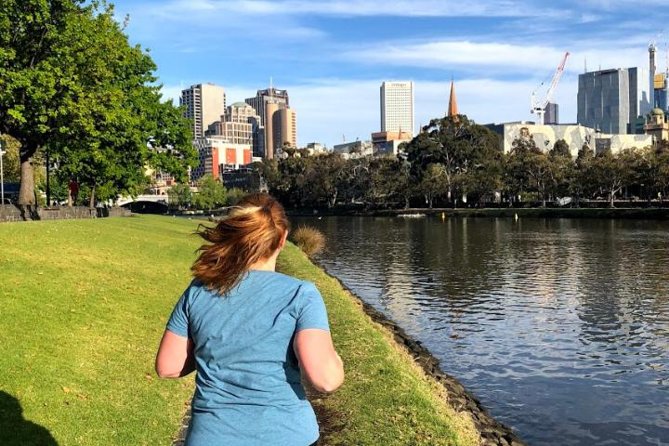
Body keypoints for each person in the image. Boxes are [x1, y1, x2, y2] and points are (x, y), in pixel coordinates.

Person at [155, 193, 344, 446]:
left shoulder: (198, 290)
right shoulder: (301, 294)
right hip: (288, 436)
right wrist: (337, 361)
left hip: (210, 437)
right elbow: (326, 380)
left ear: (236, 234)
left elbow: (168, 367)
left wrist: (212, 351)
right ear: (283, 240)